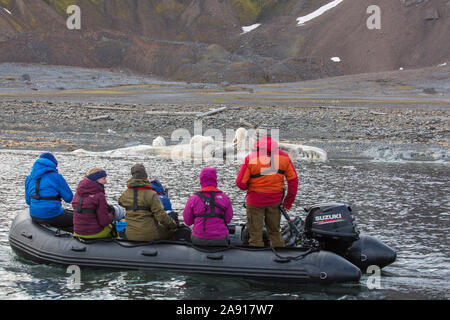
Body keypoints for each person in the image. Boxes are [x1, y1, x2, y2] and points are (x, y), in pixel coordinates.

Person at [235, 136, 298, 247]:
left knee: (255, 235)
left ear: (258, 146)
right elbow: (293, 181)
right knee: (274, 232)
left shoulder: (250, 158)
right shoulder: (284, 157)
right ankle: (280, 259)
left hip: (254, 202)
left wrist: (250, 186)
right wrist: (288, 203)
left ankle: (257, 259)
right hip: (275, 202)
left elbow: (240, 183)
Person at [119, 164, 178, 241]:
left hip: (130, 234)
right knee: (173, 231)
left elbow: (120, 202)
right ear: (145, 175)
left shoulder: (125, 194)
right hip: (149, 235)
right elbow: (161, 216)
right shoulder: (152, 194)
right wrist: (173, 225)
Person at [183, 168, 233, 246]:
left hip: (199, 239)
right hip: (220, 239)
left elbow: (187, 221)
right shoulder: (225, 198)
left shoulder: (193, 198)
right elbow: (228, 219)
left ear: (201, 180)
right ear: (215, 179)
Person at [25, 152, 74, 231]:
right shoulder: (56, 177)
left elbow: (28, 201)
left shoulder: (29, 178)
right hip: (53, 215)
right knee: (80, 218)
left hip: (34, 215)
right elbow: (69, 198)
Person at [72, 168, 122, 239]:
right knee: (111, 228)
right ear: (96, 179)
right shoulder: (99, 195)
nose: (106, 182)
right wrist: (112, 215)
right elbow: (104, 222)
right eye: (104, 179)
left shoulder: (78, 193)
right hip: (93, 233)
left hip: (77, 232)